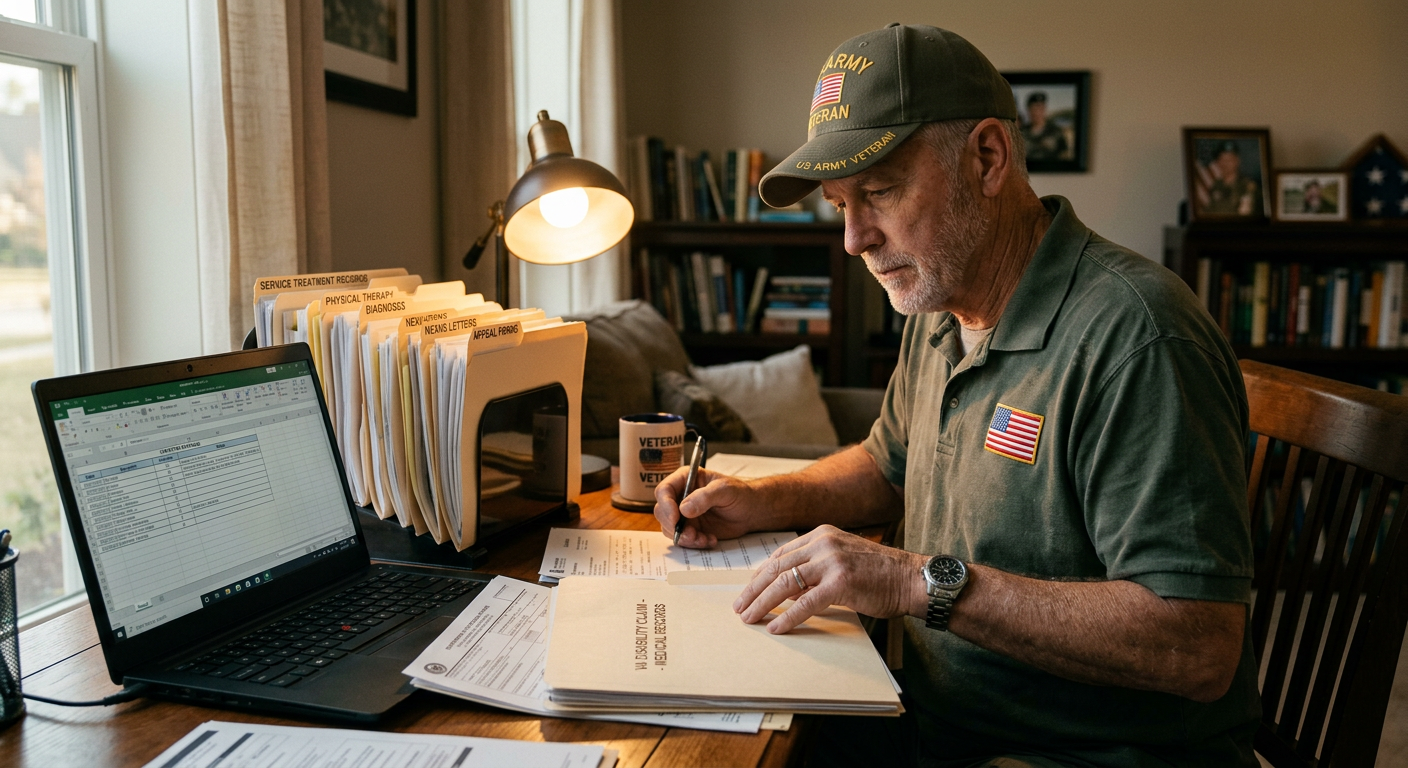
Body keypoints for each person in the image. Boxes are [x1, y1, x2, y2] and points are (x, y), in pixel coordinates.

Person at [653, 24, 1259, 768]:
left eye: (878, 192)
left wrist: (915, 581)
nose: (853, 239)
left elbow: (1197, 644)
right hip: (940, 718)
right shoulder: (939, 305)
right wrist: (764, 500)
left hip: (1083, 753)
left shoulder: (1138, 338)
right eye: (840, 203)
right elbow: (888, 466)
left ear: (988, 157)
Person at [1201, 141, 1262, 217]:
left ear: (1237, 161)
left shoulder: (1248, 187)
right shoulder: (1216, 185)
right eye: (1222, 159)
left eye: (1229, 160)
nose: (1225, 164)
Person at [1018, 91, 1069, 161]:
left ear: (1045, 109)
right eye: (1034, 109)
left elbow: (1064, 155)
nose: (1037, 113)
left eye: (1040, 109)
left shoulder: (1056, 131)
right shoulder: (1021, 132)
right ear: (1028, 110)